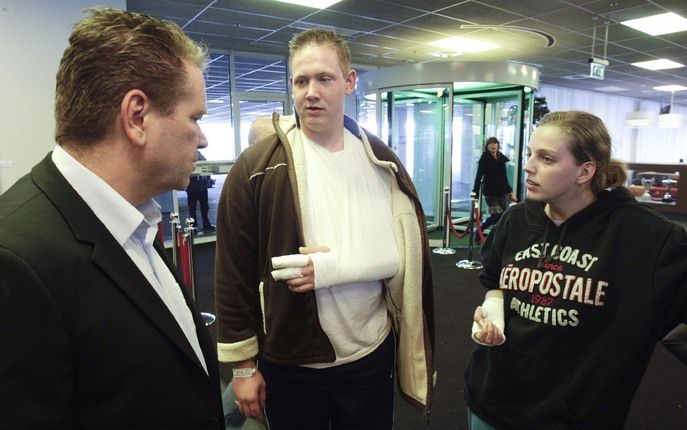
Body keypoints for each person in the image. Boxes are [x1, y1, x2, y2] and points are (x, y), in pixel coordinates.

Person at [0, 8, 224, 429]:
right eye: (194, 117)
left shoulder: (132, 217)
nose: (204, 137)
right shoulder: (15, 261)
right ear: (137, 116)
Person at [214, 28, 435, 429]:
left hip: (370, 352)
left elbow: (403, 254)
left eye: (324, 79)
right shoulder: (257, 167)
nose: (310, 92)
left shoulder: (380, 162)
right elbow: (232, 274)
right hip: (293, 359)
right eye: (301, 81)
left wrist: (336, 268)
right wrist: (243, 368)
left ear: (349, 82)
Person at [464, 111, 687, 430]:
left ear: (585, 171)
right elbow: (495, 282)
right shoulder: (516, 220)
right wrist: (492, 311)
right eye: (530, 153)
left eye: (546, 158)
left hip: (573, 417)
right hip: (490, 402)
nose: (528, 166)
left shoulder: (648, 238)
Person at [472, 136, 518, 231]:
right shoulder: (484, 159)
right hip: (490, 192)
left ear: (498, 145)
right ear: (487, 146)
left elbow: (504, 177)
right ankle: (480, 229)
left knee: (503, 217)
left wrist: (510, 193)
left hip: (502, 192)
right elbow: (478, 176)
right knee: (496, 215)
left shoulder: (501, 157)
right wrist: (475, 192)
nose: (493, 145)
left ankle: (496, 238)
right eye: (491, 143)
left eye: (495, 143)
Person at [187, 150, 216, 233]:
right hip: (195, 186)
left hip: (199, 186)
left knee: (202, 207)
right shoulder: (195, 155)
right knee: (196, 208)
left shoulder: (198, 155)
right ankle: (198, 225)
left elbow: (206, 168)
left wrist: (208, 179)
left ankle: (199, 225)